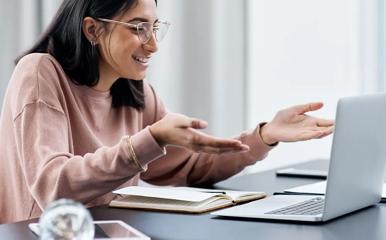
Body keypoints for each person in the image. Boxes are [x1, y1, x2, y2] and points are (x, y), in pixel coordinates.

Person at [0, 0, 334, 224]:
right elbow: (52, 186)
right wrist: (150, 139)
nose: (154, 45)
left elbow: (190, 167)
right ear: (92, 30)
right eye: (138, 28)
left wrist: (265, 136)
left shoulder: (135, 93)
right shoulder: (40, 72)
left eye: (155, 28)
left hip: (113, 230)